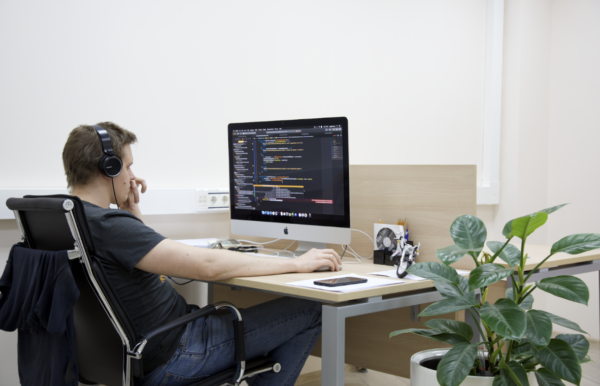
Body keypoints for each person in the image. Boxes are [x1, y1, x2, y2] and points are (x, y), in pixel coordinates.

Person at [61, 122, 342, 386]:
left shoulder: (65, 218)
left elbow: (143, 264)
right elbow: (208, 266)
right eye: (128, 167)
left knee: (254, 321)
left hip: (128, 357)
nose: (133, 177)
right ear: (108, 168)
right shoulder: (109, 226)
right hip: (177, 353)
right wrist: (297, 263)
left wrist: (132, 215)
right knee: (313, 308)